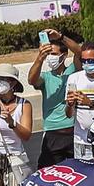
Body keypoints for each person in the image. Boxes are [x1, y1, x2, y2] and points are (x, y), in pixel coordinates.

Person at [30, 34, 83, 167]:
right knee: (47, 173)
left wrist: (61, 36)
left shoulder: (73, 71)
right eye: (48, 54)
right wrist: (40, 57)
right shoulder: (46, 77)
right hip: (52, 133)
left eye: (53, 53)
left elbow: (80, 52)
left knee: (78, 173)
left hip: (74, 132)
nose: (50, 58)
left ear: (64, 55)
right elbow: (32, 80)